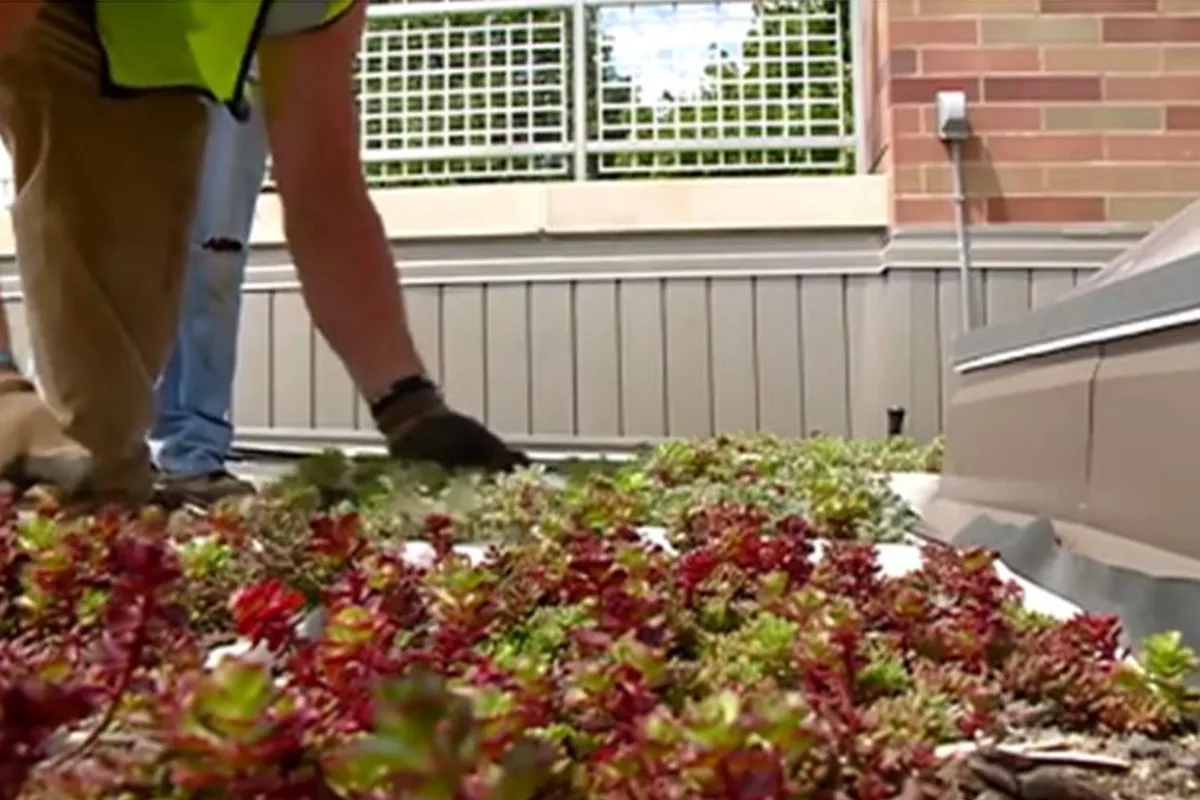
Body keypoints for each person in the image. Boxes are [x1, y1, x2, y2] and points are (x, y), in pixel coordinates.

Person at [0, 0, 527, 510]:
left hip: (136, 64)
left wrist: (410, 408)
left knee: (98, 447)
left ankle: (74, 544)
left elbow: (322, 187)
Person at [150, 81, 268, 509]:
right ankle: (89, 441)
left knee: (214, 257)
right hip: (110, 45)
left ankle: (189, 453)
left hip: (228, 67)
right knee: (101, 251)